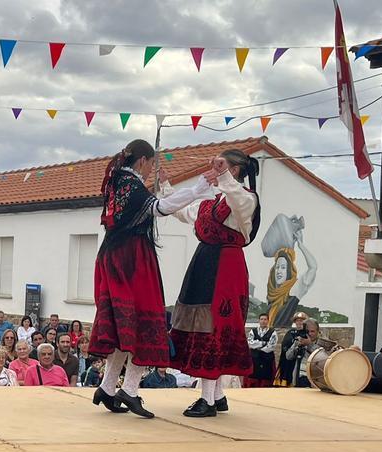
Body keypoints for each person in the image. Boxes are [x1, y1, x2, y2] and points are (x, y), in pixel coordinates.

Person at [88, 139, 214, 418]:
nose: (150, 170)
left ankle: (108, 388)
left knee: (125, 327)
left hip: (112, 256)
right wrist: (197, 190)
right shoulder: (131, 186)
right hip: (132, 260)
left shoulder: (116, 182)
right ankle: (129, 390)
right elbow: (161, 208)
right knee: (146, 322)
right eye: (151, 164)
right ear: (143, 161)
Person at [168, 151, 261, 418]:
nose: (215, 169)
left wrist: (223, 177)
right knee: (201, 325)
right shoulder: (211, 202)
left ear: (234, 171)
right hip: (204, 263)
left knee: (214, 327)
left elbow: (237, 198)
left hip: (226, 268)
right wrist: (165, 187)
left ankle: (207, 400)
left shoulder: (246, 199)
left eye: (222, 166)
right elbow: (184, 212)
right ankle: (217, 395)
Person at [265, 222, 318, 328]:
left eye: (283, 268)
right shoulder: (272, 294)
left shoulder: (293, 290)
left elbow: (313, 268)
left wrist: (301, 246)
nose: (279, 271)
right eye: (277, 267)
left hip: (283, 335)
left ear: (289, 271)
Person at [284, 318, 326, 388]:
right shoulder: (300, 339)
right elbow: (288, 356)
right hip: (300, 376)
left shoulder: (324, 343)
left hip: (316, 378)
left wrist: (309, 345)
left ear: (318, 331)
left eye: (312, 331)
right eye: (307, 331)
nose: (310, 334)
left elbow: (323, 358)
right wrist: (297, 346)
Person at [275, 312, 309, 386]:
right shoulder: (290, 333)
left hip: (303, 363)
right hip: (289, 362)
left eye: (302, 320)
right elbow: (284, 346)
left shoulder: (309, 333)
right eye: (297, 320)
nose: (299, 322)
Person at [245, 313, 278, 388]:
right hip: (255, 358)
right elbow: (250, 343)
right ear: (259, 321)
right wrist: (263, 343)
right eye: (261, 319)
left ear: (268, 321)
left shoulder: (273, 332)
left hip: (267, 359)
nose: (263, 321)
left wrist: (257, 346)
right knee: (254, 375)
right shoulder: (253, 331)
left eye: (265, 319)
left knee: (266, 377)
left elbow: (271, 346)